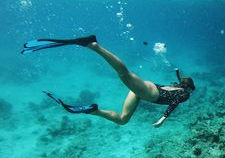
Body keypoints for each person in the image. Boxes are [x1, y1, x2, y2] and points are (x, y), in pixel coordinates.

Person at [23, 35, 195, 128]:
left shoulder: (178, 86)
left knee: (122, 119)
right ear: (189, 89)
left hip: (145, 91)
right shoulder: (184, 94)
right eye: (191, 90)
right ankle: (93, 45)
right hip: (148, 92)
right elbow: (174, 102)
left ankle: (93, 110)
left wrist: (180, 77)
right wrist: (163, 118)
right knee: (123, 73)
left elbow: (177, 87)